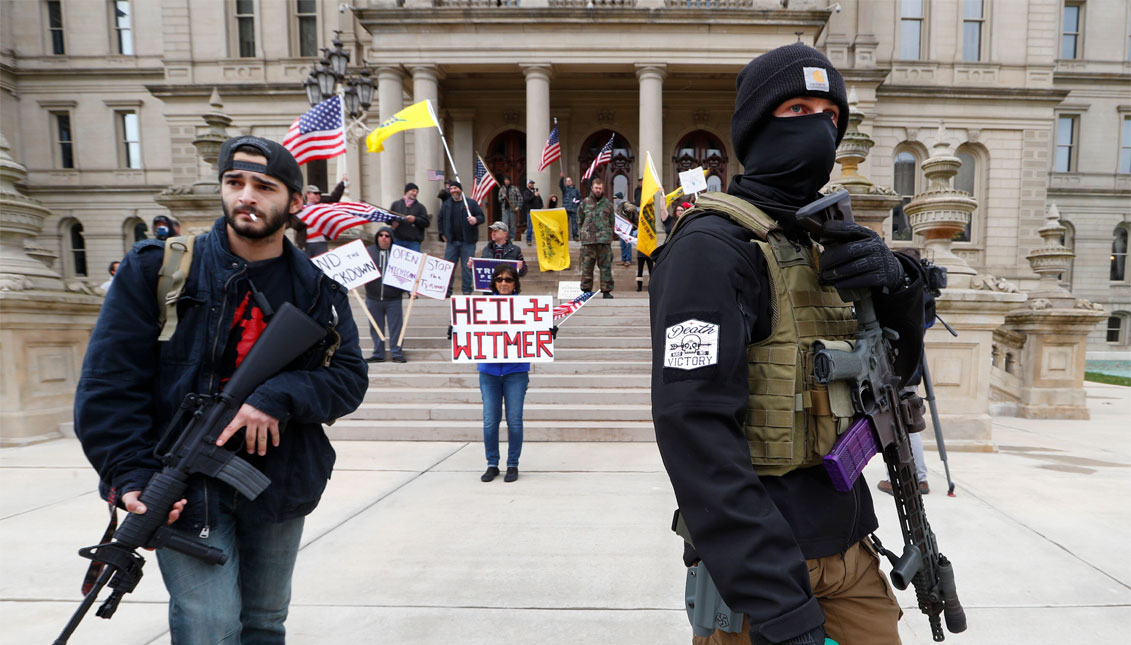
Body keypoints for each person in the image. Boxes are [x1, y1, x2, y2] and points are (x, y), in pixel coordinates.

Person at [649, 43, 928, 645]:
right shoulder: (711, 248)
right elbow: (693, 432)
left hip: (852, 553)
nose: (818, 129)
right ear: (755, 126)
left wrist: (898, 287)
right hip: (765, 574)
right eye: (796, 109)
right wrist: (780, 606)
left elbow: (894, 382)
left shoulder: (827, 241)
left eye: (830, 116)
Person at [73, 135, 368, 643]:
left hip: (280, 478)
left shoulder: (319, 289)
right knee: (208, 627)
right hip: (184, 484)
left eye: (264, 186)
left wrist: (275, 398)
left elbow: (347, 378)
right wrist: (130, 473)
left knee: (264, 621)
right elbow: (108, 384)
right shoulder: (159, 269)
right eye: (235, 183)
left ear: (296, 203)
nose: (246, 196)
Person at [476, 263, 529, 483]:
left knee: (514, 420)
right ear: (493, 283)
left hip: (516, 370)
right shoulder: (481, 306)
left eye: (508, 279)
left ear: (515, 283)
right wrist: (457, 329)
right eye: (499, 279)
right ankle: (492, 464)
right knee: (490, 420)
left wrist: (546, 332)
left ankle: (512, 464)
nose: (504, 283)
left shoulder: (526, 306)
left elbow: (533, 331)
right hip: (489, 371)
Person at [365, 225, 408, 363]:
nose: (383, 238)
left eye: (387, 236)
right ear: (376, 238)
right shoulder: (368, 252)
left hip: (393, 299)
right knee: (375, 327)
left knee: (396, 327)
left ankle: (396, 352)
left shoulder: (400, 255)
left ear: (391, 238)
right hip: (373, 298)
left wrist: (410, 290)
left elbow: (408, 274)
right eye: (380, 235)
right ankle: (378, 353)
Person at [437, 180, 485, 296]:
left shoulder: (471, 203)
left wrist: (475, 220)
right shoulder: (446, 205)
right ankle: (447, 290)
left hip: (468, 242)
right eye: (451, 189)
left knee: (467, 267)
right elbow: (440, 219)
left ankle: (467, 290)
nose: (453, 191)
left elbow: (481, 216)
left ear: (460, 190)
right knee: (448, 267)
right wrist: (442, 233)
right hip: (452, 242)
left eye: (455, 188)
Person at [577, 176, 615, 299]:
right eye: (596, 188)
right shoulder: (584, 203)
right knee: (587, 267)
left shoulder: (608, 204)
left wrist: (606, 233)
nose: (598, 190)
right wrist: (584, 233)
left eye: (600, 188)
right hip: (588, 241)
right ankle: (586, 291)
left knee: (606, 267)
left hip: (604, 241)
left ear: (602, 189)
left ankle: (606, 291)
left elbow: (611, 221)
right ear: (592, 188)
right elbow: (579, 220)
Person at [300, 177, 347, 257]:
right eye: (315, 193)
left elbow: (334, 198)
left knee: (321, 267)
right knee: (306, 266)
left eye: (319, 193)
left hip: (321, 242)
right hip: (305, 244)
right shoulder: (300, 208)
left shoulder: (322, 205)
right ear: (307, 194)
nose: (318, 195)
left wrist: (342, 183)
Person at [389, 182, 430, 253]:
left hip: (413, 243)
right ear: (406, 191)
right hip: (398, 241)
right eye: (413, 191)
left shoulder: (421, 207)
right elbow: (388, 218)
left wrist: (415, 219)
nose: (415, 193)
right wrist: (392, 222)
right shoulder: (396, 204)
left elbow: (426, 223)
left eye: (417, 192)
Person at [614, 192, 635, 266]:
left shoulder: (625, 204)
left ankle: (628, 260)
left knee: (628, 244)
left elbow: (633, 208)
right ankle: (623, 259)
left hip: (628, 228)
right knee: (622, 244)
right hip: (622, 229)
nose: (615, 200)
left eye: (615, 198)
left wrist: (626, 209)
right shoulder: (618, 206)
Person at [559, 172, 582, 241]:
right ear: (566, 182)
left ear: (572, 182)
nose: (568, 182)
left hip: (574, 208)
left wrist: (577, 202)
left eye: (569, 180)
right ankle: (564, 236)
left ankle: (575, 236)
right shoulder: (565, 189)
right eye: (567, 181)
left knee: (574, 223)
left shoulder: (576, 190)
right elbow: (561, 185)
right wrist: (561, 178)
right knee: (565, 224)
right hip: (566, 208)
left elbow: (580, 198)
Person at [522, 180, 543, 246]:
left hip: (537, 211)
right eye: (531, 183)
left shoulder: (535, 192)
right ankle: (528, 240)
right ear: (528, 184)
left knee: (538, 226)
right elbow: (527, 200)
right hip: (531, 211)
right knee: (530, 226)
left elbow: (540, 201)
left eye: (533, 184)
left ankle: (539, 239)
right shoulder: (526, 192)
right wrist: (534, 196)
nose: (532, 185)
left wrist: (540, 206)